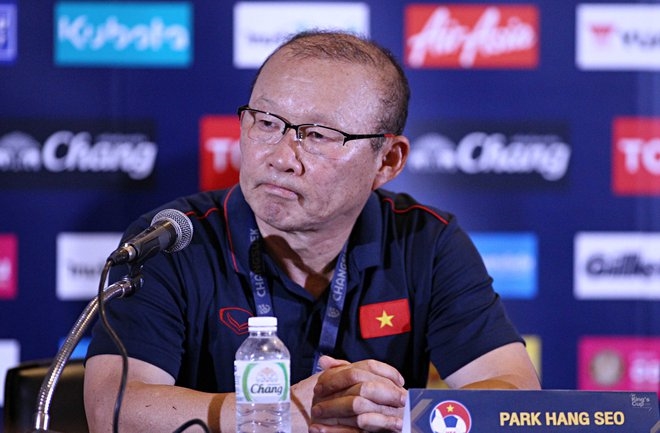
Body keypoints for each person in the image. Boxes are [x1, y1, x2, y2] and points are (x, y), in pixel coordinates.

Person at [84, 30, 540, 433]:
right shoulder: (171, 238)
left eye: (318, 135)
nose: (282, 157)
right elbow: (113, 411)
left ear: (387, 161)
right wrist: (277, 415)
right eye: (267, 123)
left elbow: (518, 395)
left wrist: (396, 412)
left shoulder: (426, 240)